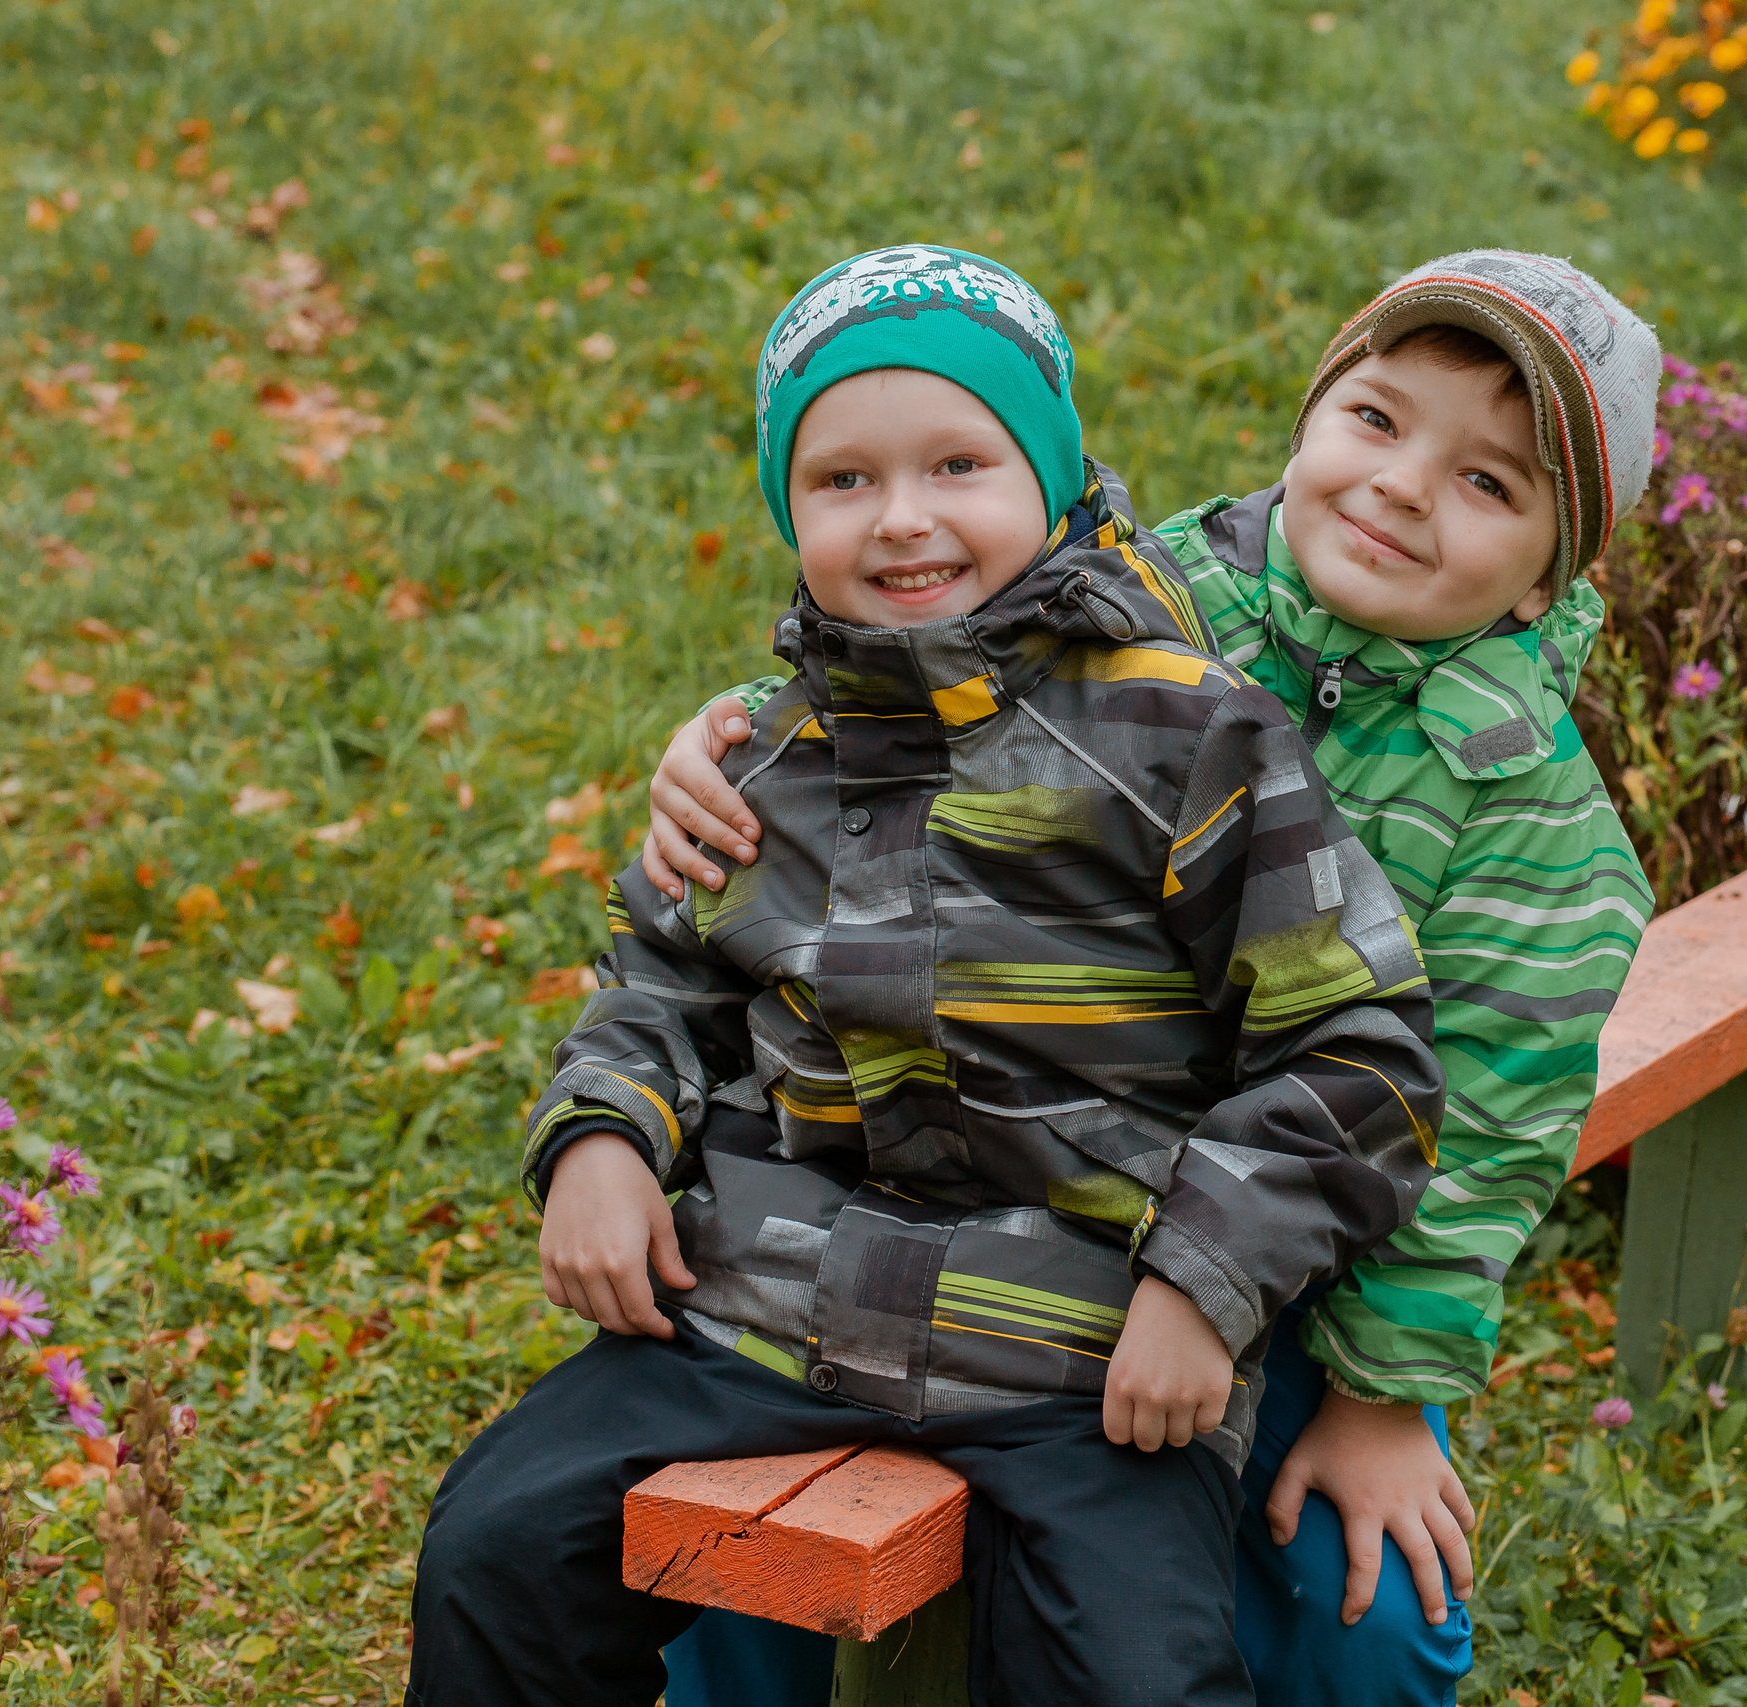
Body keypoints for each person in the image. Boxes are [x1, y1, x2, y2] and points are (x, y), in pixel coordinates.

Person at [406, 244, 1448, 1707]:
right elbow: (662, 978)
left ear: (1054, 474)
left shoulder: (1189, 740)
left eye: (959, 462)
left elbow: (1354, 1053)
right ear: (788, 506)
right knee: (494, 1554)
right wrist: (597, 1136)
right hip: (761, 1310)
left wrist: (1204, 1285)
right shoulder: (766, 749)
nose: (903, 520)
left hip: (1087, 1353)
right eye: (842, 481)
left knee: (1131, 1681)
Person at [642, 250, 1662, 1707]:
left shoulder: (1536, 831)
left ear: (1557, 571)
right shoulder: (1139, 594)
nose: (1404, 488)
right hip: (1023, 1179)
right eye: (1376, 420)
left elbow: (1478, 1140)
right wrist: (735, 733)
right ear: (1313, 414)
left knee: (1353, 1605)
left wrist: (1383, 1398)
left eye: (1492, 483)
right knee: (739, 1505)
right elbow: (907, 675)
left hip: (1307, 1263)